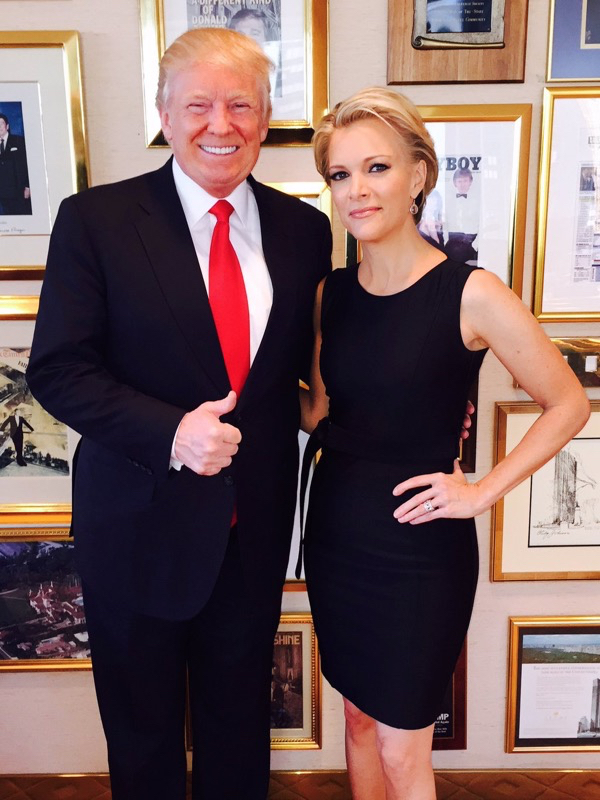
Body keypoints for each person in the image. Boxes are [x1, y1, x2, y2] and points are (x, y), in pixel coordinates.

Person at [26, 27, 332, 800]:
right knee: (143, 734)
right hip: (134, 526)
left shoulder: (306, 231)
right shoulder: (95, 220)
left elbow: (310, 378)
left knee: (239, 732)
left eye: (240, 105)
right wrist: (170, 433)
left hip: (253, 531)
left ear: (265, 120)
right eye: (198, 105)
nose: (219, 125)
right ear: (165, 113)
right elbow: (58, 371)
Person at [300, 87, 590, 800]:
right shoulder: (329, 295)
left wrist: (480, 491)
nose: (357, 191)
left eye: (376, 168)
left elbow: (569, 403)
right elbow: (321, 414)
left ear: (420, 174)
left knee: (405, 752)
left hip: (417, 549)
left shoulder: (473, 292)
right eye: (341, 175)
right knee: (359, 721)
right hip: (336, 530)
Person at [443, 166, 479, 264]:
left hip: (470, 242)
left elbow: (482, 225)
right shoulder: (448, 201)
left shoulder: (478, 202)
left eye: (465, 181)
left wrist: (475, 245)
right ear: (455, 183)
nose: (462, 184)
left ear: (470, 182)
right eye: (459, 181)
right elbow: (445, 223)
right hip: (452, 241)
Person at [0, 112, 31, 215]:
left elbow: (28, 163)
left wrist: (28, 186)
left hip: (18, 192)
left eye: (1, 123)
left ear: (7, 126)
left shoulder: (19, 141)